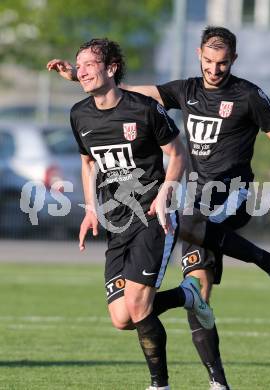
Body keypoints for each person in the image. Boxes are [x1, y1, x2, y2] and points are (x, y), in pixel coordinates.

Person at [47, 27, 270, 390]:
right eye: (209, 62)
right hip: (194, 194)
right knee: (196, 288)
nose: (215, 70)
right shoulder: (185, 90)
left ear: (234, 60)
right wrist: (80, 75)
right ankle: (218, 381)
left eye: (223, 63)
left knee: (184, 220)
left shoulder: (248, 96)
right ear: (199, 55)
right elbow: (124, 92)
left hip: (231, 192)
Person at [61, 38, 216, 390]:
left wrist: (165, 192)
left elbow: (178, 154)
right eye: (79, 64)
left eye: (89, 64)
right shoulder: (79, 114)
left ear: (111, 69)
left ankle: (159, 384)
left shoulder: (144, 109)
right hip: (117, 221)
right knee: (121, 318)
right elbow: (88, 164)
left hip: (152, 217)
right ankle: (186, 294)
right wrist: (89, 209)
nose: (81, 71)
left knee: (137, 303)